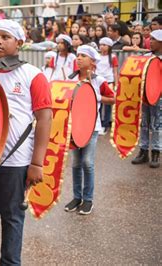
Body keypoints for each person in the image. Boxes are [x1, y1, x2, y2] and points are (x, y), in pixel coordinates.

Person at [0, 19, 52, 265]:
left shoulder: (32, 75)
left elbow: (45, 117)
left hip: (16, 161)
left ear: (19, 42)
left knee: (12, 217)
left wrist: (37, 163)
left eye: (5, 37)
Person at [65, 45, 115, 215]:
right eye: (77, 55)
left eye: (83, 56)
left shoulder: (99, 81)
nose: (78, 58)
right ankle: (76, 197)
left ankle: (88, 199)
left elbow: (112, 98)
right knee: (76, 163)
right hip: (75, 128)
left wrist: (96, 97)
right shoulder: (71, 79)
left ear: (92, 62)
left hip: (92, 127)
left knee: (87, 163)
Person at [131, 29, 161, 168]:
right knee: (144, 123)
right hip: (145, 96)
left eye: (154, 40)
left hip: (159, 97)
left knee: (157, 125)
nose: (151, 42)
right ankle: (143, 151)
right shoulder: (146, 56)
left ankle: (156, 151)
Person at [95, 37, 118, 136]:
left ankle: (105, 125)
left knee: (108, 104)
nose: (102, 47)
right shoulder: (97, 56)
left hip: (108, 81)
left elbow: (115, 71)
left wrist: (116, 84)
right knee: (98, 104)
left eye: (104, 45)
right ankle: (99, 123)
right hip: (98, 82)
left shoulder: (112, 57)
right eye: (101, 45)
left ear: (109, 47)